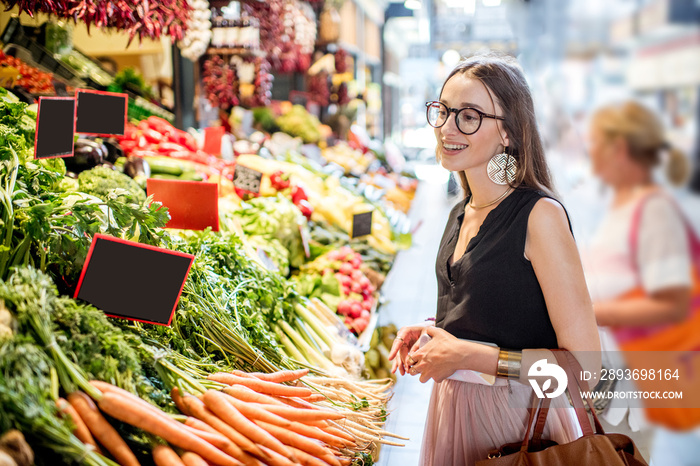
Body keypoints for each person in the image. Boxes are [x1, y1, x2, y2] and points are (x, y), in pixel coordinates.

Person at [387, 53, 601, 466]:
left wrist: (467, 355)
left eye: (469, 116)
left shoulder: (539, 216)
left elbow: (584, 369)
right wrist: (438, 333)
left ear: (507, 132)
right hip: (451, 412)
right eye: (444, 111)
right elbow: (501, 314)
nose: (447, 128)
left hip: (517, 426)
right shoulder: (461, 212)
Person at [584, 100, 699, 465]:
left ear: (619, 148)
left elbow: (673, 303)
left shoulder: (655, 211)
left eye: (595, 143)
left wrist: (591, 313)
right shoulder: (621, 206)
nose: (590, 153)